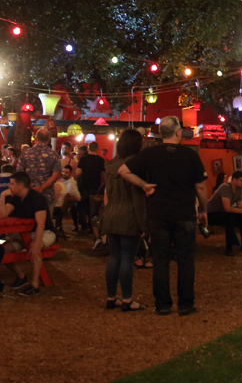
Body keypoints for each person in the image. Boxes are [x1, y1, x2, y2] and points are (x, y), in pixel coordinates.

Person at [119, 116, 209, 316]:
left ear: (161, 133)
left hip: (158, 213)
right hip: (184, 213)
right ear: (178, 132)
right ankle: (185, 304)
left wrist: (144, 185)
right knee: (185, 260)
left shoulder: (150, 154)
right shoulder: (190, 155)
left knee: (160, 260)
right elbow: (201, 186)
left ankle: (163, 304)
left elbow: (123, 171)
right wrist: (203, 209)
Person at [102, 129, 148, 311]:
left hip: (111, 212)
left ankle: (111, 297)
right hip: (129, 215)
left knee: (114, 257)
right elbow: (137, 199)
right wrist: (144, 224)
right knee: (128, 258)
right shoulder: (136, 166)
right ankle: (127, 300)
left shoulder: (110, 166)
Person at [0, 172, 57, 296]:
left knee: (35, 247)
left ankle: (35, 285)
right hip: (24, 234)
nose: (10, 187)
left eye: (12, 184)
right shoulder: (15, 198)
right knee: (0, 251)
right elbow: (1, 215)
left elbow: (41, 224)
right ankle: (21, 277)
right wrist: (2, 196)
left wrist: (37, 243)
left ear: (21, 186)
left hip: (45, 232)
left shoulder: (37, 198)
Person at [206, 171, 242, 255]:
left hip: (222, 212)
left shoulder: (238, 189)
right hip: (210, 213)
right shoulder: (225, 187)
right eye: (241, 180)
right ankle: (229, 247)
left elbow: (240, 205)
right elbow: (227, 208)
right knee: (230, 217)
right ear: (234, 180)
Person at [17, 128, 62, 219]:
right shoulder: (53, 155)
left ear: (35, 138)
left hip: (27, 194)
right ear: (49, 139)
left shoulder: (25, 154)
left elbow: (19, 174)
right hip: (47, 195)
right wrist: (42, 188)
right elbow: (56, 175)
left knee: (28, 223)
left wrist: (30, 188)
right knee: (45, 225)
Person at [75, 142, 106, 242]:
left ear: (88, 148)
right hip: (95, 187)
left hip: (84, 186)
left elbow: (78, 172)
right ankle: (92, 228)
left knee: (81, 207)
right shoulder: (101, 160)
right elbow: (104, 175)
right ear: (97, 149)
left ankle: (84, 226)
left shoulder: (83, 159)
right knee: (93, 208)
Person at [53, 165, 81, 238]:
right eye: (63, 172)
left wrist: (66, 198)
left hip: (59, 208)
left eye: (66, 172)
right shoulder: (63, 182)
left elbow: (78, 198)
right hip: (61, 207)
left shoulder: (70, 184)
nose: (64, 174)